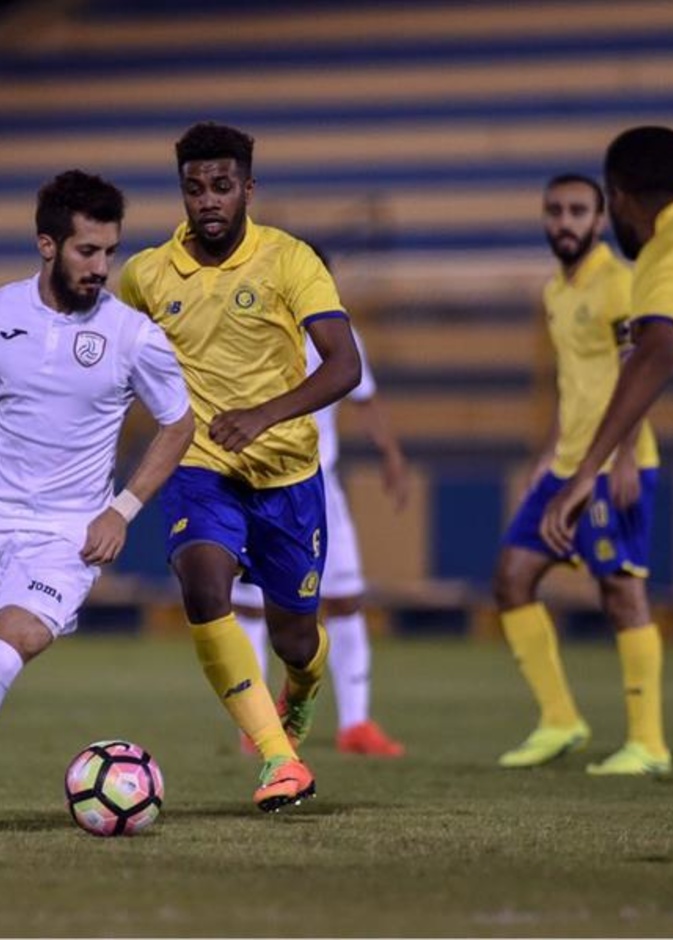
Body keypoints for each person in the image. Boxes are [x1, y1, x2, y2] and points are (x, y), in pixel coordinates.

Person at [119, 122, 361, 812]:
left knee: (294, 636)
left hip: (287, 474)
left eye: (221, 186)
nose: (208, 201)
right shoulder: (145, 274)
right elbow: (114, 358)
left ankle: (304, 690)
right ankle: (281, 762)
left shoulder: (288, 260)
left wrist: (265, 414)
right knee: (202, 586)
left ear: (247, 189)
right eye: (194, 189)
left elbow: (346, 365)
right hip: (199, 463)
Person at [0, 170, 193, 721]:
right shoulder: (4, 313)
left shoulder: (133, 334)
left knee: (18, 638)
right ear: (47, 245)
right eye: (87, 250)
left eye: (110, 251)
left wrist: (121, 511)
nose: (101, 267)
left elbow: (179, 424)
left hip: (66, 535)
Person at [493, 172, 669, 775]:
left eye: (577, 211)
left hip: (615, 464)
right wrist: (547, 455)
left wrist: (622, 457)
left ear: (600, 219)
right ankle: (560, 719)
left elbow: (637, 375)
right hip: (566, 465)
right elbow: (575, 386)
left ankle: (648, 743)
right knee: (513, 578)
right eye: (554, 211)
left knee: (621, 592)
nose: (564, 222)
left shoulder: (622, 284)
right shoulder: (555, 292)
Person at [234, 320, 409, 757]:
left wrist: (390, 451)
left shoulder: (338, 331)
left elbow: (364, 398)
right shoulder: (249, 324)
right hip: (258, 483)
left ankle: (355, 723)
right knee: (252, 607)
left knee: (346, 598)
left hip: (321, 487)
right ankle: (255, 724)